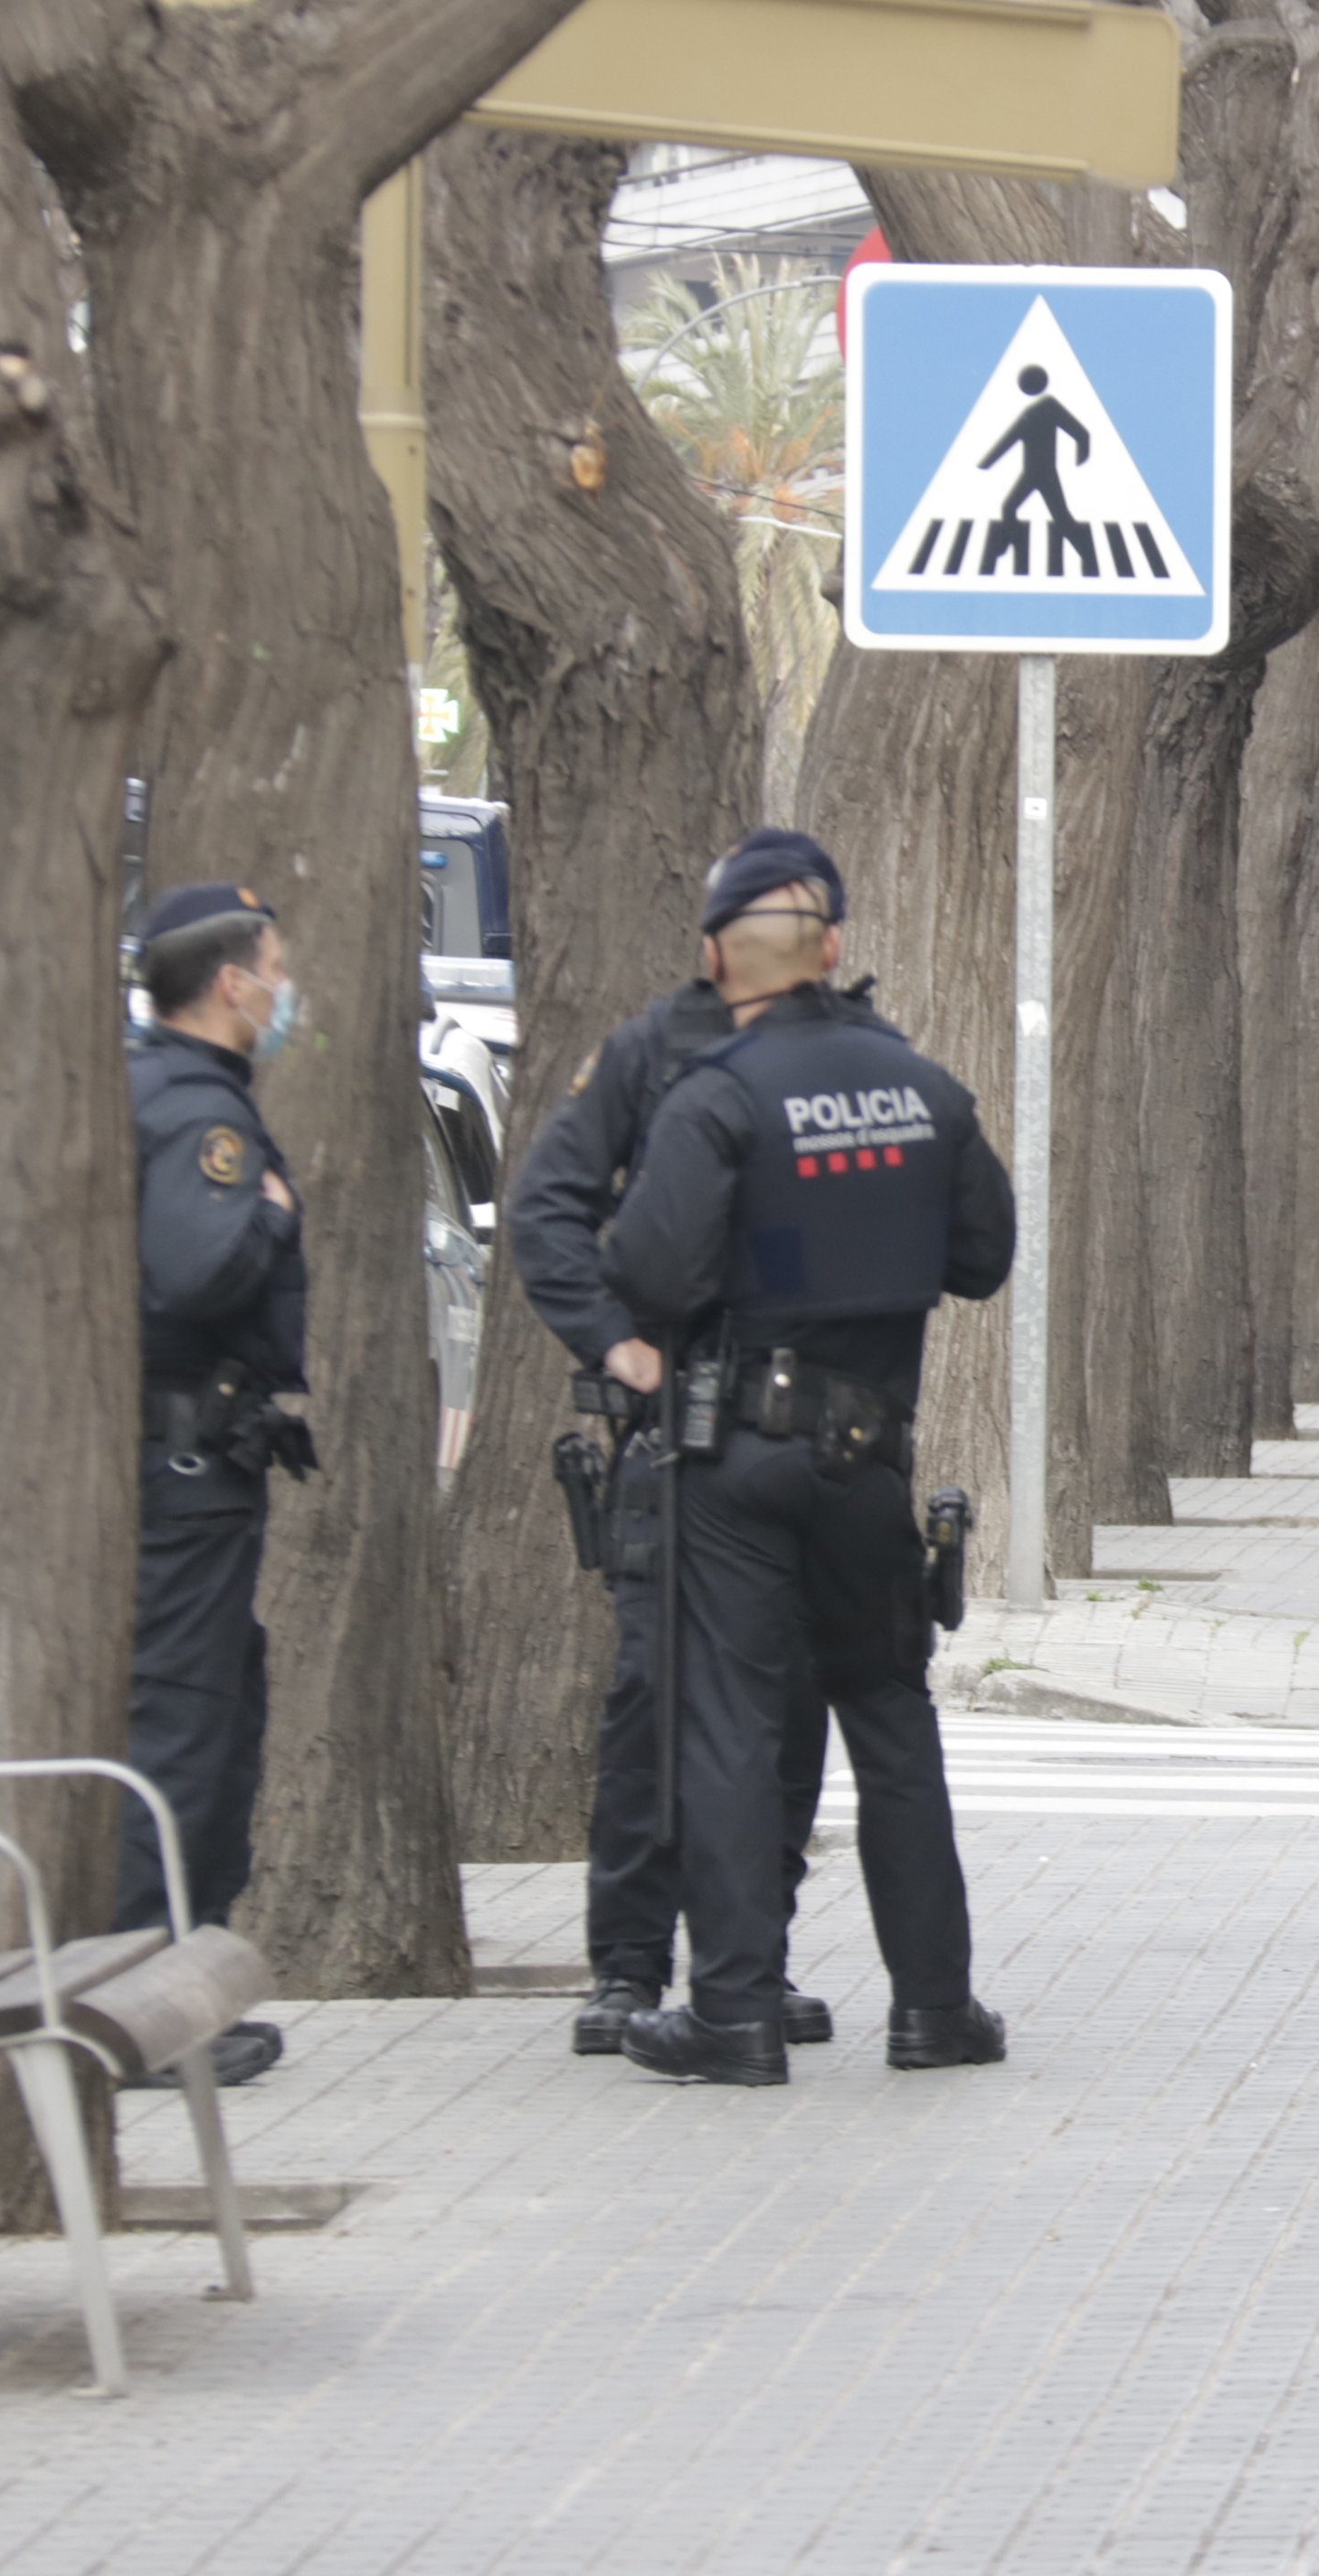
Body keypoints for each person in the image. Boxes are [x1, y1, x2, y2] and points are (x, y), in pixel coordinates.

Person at [595, 844, 1018, 2085]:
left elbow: (654, 1272)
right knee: (890, 1714)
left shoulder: (718, 1095)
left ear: (720, 963)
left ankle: (732, 2013)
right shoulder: (925, 1089)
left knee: (730, 1720)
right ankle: (935, 2009)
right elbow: (982, 1255)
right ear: (834, 950)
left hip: (736, 1451)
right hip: (868, 1454)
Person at [505, 829, 861, 2059]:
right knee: (656, 1703)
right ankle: (627, 1963)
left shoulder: (850, 1057)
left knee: (787, 1708)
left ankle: (745, 1966)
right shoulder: (655, 1052)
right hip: (676, 1433)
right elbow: (549, 1208)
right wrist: (616, 1342)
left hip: (806, 1435)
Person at [120, 884, 318, 2089]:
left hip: (177, 1465)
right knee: (187, 1729)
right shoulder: (203, 1117)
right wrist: (275, 1217)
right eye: (276, 969)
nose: (286, 992)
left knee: (195, 1717)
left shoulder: (148, 1089)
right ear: (234, 984)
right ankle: (151, 2008)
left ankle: (154, 1986)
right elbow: (198, 1275)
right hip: (187, 1470)